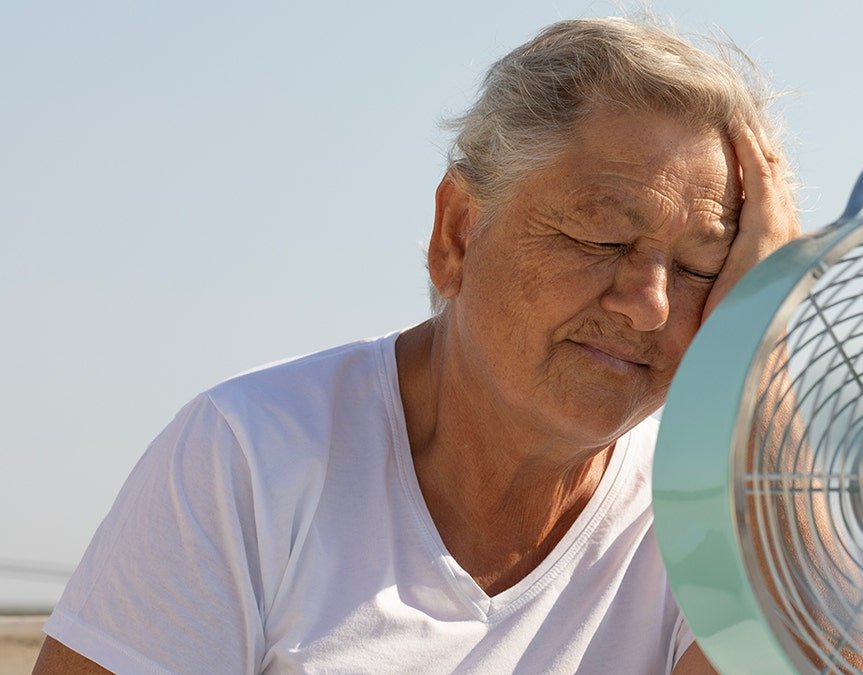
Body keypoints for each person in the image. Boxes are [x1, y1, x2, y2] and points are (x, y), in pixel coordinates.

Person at [34, 16, 800, 674]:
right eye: (601, 235)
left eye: (704, 267)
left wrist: (765, 360)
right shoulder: (252, 457)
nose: (649, 303)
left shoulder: (718, 515)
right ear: (459, 232)